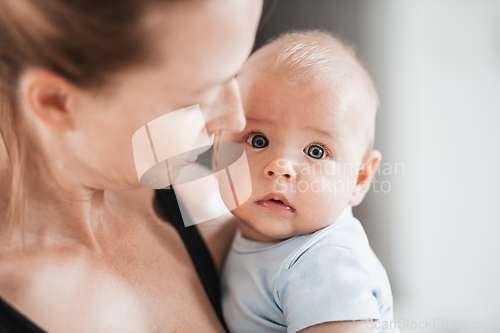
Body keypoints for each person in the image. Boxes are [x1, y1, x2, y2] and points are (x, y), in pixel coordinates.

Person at [0, 0, 262, 332]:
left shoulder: (201, 182)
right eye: (201, 98)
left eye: (236, 72)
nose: (236, 120)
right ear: (56, 101)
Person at [220, 31, 396, 333]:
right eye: (258, 140)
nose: (280, 167)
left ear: (360, 177)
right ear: (217, 144)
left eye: (316, 151)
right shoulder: (230, 229)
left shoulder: (328, 265)